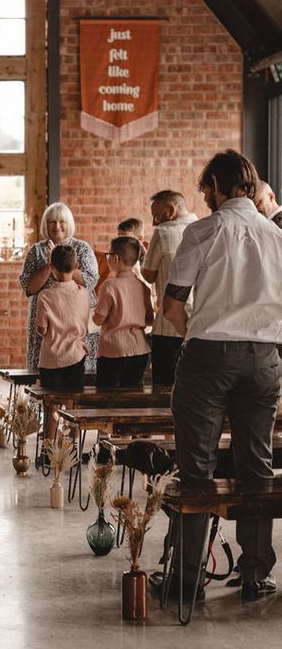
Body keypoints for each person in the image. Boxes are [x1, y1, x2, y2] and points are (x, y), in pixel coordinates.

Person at [163, 150, 282, 601]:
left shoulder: (203, 231)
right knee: (257, 466)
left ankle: (188, 578)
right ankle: (255, 573)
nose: (205, 197)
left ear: (216, 185)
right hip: (265, 358)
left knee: (196, 469)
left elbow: (173, 306)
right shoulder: (277, 235)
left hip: (209, 356)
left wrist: (194, 334)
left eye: (206, 189)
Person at [20, 203, 99, 373]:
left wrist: (61, 259)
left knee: (80, 374)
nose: (57, 226)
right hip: (47, 320)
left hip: (77, 320)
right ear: (45, 225)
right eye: (52, 222)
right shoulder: (36, 251)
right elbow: (29, 288)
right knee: (46, 373)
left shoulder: (82, 248)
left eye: (62, 221)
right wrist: (50, 263)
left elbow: (90, 281)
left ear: (69, 223)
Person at [140, 190, 198, 385]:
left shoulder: (162, 232)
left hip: (168, 327)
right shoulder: (202, 229)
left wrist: (143, 256)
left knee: (163, 390)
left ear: (171, 210)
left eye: (156, 215)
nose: (154, 222)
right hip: (196, 325)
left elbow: (148, 275)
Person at [93, 235, 153, 388]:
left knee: (105, 396)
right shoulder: (143, 287)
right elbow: (149, 320)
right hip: (140, 349)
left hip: (114, 349)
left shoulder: (109, 286)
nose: (107, 258)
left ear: (116, 258)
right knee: (131, 397)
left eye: (108, 255)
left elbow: (98, 320)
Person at [34, 245, 91, 392]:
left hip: (51, 359)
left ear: (51, 266)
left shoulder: (45, 296)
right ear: (76, 266)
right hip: (76, 356)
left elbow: (42, 329)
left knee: (51, 402)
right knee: (73, 401)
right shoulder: (84, 293)